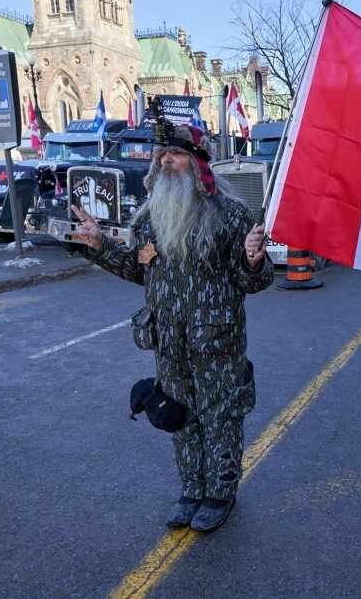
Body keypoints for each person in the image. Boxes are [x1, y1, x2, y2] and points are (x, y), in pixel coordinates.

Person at [72, 123, 274, 532]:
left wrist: (253, 261)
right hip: (169, 344)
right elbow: (137, 269)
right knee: (179, 417)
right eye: (162, 154)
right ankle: (191, 490)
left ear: (197, 163)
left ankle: (220, 492)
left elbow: (251, 282)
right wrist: (99, 247)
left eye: (176, 154)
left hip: (215, 342)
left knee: (220, 418)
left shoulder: (230, 216)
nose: (166, 161)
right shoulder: (149, 219)